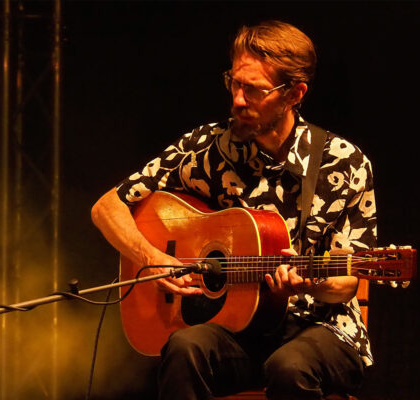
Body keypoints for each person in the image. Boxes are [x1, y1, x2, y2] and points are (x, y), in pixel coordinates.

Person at [92, 20, 376, 400]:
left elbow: (348, 280)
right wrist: (152, 257)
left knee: (288, 368)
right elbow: (107, 206)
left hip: (320, 326)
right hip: (239, 331)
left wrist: (311, 282)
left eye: (254, 90)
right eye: (234, 83)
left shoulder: (343, 164)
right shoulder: (208, 150)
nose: (238, 100)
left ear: (295, 94)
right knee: (184, 349)